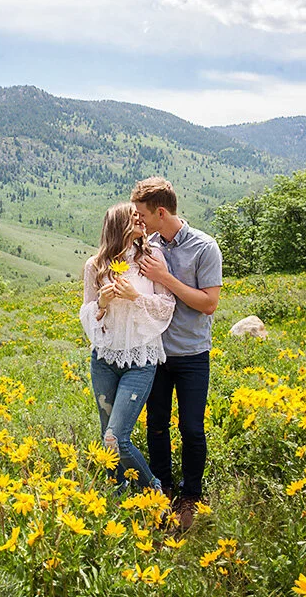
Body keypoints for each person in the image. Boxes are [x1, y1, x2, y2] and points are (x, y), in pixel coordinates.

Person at [130, 177, 222, 531]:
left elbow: (209, 304)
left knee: (192, 428)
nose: (138, 220)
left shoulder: (204, 248)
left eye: (141, 214)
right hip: (154, 353)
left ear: (161, 212)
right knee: (156, 426)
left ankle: (192, 495)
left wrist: (166, 278)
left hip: (192, 353)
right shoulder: (147, 244)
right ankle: (163, 489)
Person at [79, 202, 176, 493]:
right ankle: (120, 495)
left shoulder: (151, 258)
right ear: (118, 224)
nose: (141, 220)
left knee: (115, 438)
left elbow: (166, 306)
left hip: (141, 358)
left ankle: (154, 493)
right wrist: (102, 303)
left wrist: (135, 296)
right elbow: (87, 313)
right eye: (134, 217)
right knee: (105, 437)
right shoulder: (95, 265)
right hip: (104, 358)